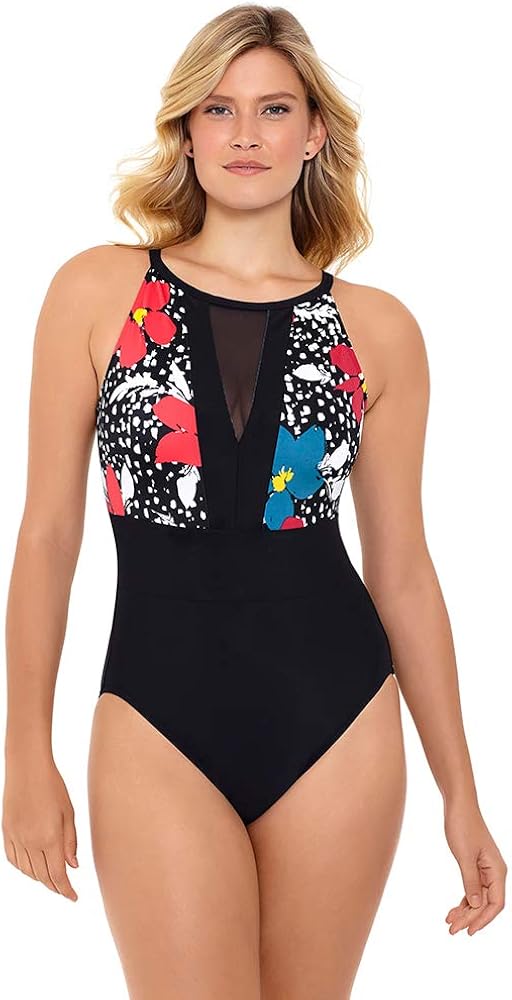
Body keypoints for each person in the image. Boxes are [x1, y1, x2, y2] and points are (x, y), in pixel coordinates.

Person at [2, 5, 507, 999]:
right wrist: (24, 751)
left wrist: (463, 793)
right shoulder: (96, 293)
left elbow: (403, 570)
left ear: (314, 133)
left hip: (337, 720)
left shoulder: (378, 330)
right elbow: (49, 535)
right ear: (185, 130)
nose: (244, 133)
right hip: (153, 716)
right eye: (219, 109)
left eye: (274, 109)